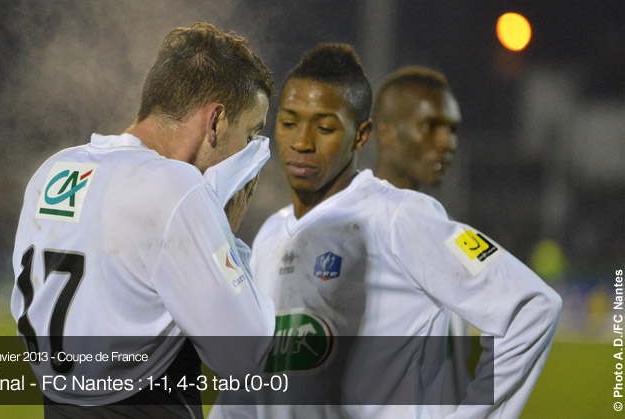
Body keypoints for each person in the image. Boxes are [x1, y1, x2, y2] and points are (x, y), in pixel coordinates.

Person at [221, 44, 562, 418]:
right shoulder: (271, 234)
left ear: (361, 135)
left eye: (325, 127)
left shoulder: (401, 217)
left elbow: (533, 306)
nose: (301, 142)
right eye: (289, 124)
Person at [11, 22, 275, 418]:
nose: (250, 154)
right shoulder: (177, 187)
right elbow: (245, 354)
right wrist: (228, 240)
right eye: (250, 135)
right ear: (216, 121)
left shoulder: (53, 170)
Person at [372, 65, 471, 416]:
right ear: (385, 131)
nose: (447, 143)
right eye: (430, 126)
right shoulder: (345, 226)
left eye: (452, 129)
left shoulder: (444, 230)